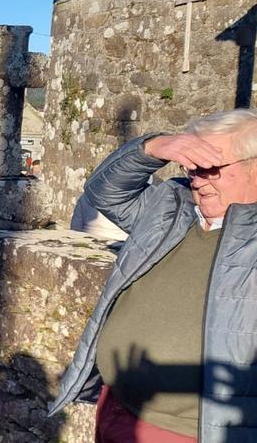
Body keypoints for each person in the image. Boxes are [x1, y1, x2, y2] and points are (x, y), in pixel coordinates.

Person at [50, 109, 257, 442]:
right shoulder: (172, 208)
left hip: (186, 431)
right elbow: (105, 192)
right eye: (191, 166)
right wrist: (153, 148)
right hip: (118, 407)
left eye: (211, 168)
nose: (197, 179)